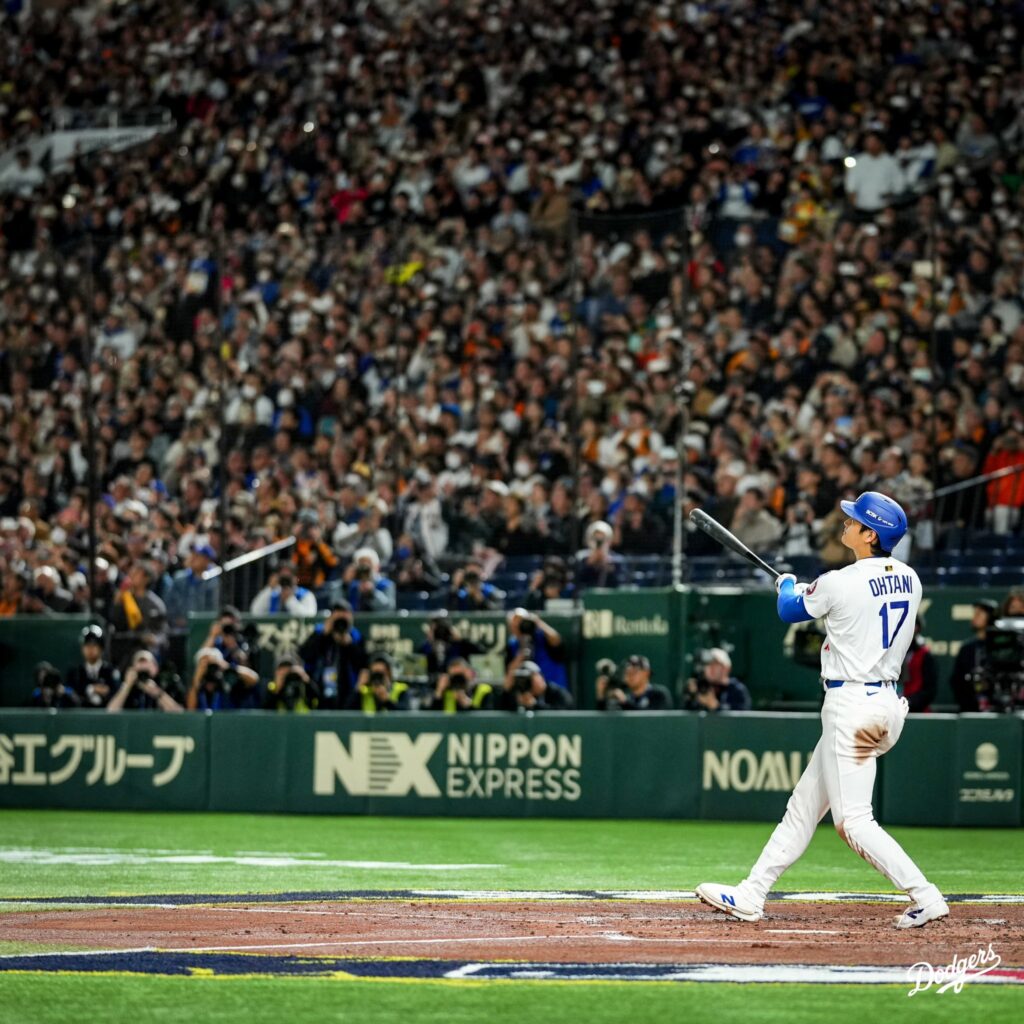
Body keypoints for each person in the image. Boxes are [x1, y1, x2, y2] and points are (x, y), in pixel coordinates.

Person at [696, 492, 948, 929]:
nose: (845, 524)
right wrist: (803, 590)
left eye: (854, 521)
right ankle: (752, 893)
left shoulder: (839, 581)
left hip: (852, 708)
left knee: (853, 821)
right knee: (803, 806)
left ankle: (926, 896)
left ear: (872, 534)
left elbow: (788, 609)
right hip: (886, 704)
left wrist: (788, 583)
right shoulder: (910, 577)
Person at [297, 600, 368, 707]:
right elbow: (304, 655)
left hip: (347, 694)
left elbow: (363, 664)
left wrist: (348, 644)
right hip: (320, 691)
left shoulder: (355, 637)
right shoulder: (320, 633)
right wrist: (324, 634)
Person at [948, 599, 998, 712]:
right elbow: (956, 680)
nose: (974, 617)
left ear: (990, 617)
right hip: (970, 708)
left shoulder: (999, 648)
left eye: (979, 614)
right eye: (974, 613)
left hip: (996, 708)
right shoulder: (967, 649)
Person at [505, 607, 567, 690]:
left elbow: (557, 641)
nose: (519, 628)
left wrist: (537, 622)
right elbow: (509, 676)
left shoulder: (542, 636)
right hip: (529, 692)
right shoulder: (512, 645)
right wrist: (521, 654)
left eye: (521, 623)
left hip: (553, 688)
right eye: (515, 626)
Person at [107, 649, 184, 712]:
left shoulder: (164, 683)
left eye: (146, 662)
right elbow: (111, 712)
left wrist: (157, 693)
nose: (143, 667)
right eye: (140, 662)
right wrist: (127, 685)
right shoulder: (129, 688)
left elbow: (179, 713)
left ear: (155, 667)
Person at [186, 646, 261, 711]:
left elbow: (254, 678)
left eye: (212, 665)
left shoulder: (228, 682)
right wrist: (197, 677)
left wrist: (226, 666)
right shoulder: (197, 687)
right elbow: (190, 709)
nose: (209, 669)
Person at [65, 625, 121, 708]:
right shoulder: (75, 673)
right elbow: (70, 693)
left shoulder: (111, 672)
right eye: (87, 645)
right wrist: (91, 689)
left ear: (101, 648)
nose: (90, 649)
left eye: (94, 645)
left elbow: (115, 694)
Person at [682, 648, 752, 711]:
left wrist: (715, 706)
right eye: (707, 664)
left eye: (715, 664)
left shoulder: (737, 690)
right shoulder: (701, 687)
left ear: (726, 668)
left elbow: (742, 718)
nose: (710, 668)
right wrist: (692, 696)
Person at [595, 654, 672, 710]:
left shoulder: (659, 694)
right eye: (627, 673)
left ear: (646, 673)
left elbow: (653, 721)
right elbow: (604, 722)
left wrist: (625, 703)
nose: (630, 676)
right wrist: (601, 696)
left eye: (634, 672)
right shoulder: (624, 695)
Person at [496, 659, 575, 712]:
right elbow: (499, 712)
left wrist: (535, 705)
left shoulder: (557, 693)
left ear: (541, 677)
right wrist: (506, 690)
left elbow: (564, 714)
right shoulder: (517, 693)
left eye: (530, 678)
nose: (526, 683)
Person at [427, 657, 494, 712]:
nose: (457, 680)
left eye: (460, 676)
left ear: (469, 673)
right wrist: (439, 691)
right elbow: (431, 719)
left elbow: (488, 720)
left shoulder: (482, 690)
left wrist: (467, 704)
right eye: (454, 677)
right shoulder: (445, 691)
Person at [901, 617, 938, 713]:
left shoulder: (924, 654)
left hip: (917, 711)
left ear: (916, 628)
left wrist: (911, 702)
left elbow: (929, 690)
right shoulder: (891, 652)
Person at [249, 568, 318, 616]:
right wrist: (269, 588)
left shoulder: (306, 595)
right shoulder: (272, 594)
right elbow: (255, 611)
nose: (285, 582)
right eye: (283, 578)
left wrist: (289, 600)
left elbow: (310, 617)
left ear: (295, 578)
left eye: (288, 578)